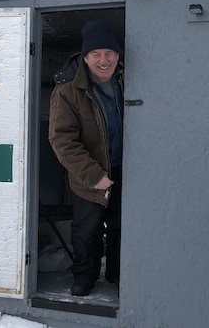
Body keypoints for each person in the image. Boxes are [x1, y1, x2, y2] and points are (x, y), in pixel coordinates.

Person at [48, 20, 124, 296]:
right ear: (85, 57)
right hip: (88, 177)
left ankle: (116, 274)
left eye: (110, 53)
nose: (104, 60)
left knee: (120, 227)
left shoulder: (129, 83)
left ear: (118, 56)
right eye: (96, 54)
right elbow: (62, 140)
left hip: (125, 171)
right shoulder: (68, 91)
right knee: (86, 230)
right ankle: (85, 276)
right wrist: (94, 175)